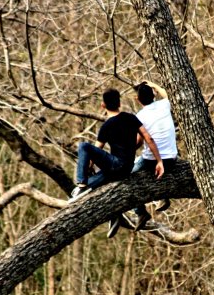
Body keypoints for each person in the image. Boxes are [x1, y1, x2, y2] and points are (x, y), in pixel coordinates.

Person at [70, 88, 165, 238]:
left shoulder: (107, 126)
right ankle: (116, 215)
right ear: (119, 102)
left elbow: (95, 150)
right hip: (126, 168)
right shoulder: (131, 118)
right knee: (78, 193)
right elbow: (148, 138)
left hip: (116, 165)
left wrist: (88, 167)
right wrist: (159, 161)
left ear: (103, 105)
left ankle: (81, 184)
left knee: (83, 146)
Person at [131, 82, 178, 231]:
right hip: (172, 157)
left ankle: (141, 212)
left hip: (153, 160)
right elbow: (167, 94)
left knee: (127, 177)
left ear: (138, 100)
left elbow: (138, 142)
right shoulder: (164, 104)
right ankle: (162, 195)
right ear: (154, 95)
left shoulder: (139, 116)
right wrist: (153, 84)